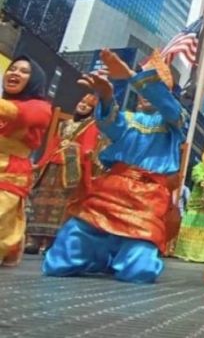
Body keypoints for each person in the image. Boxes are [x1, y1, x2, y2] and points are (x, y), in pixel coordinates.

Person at [42, 49, 185, 283]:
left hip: (147, 198)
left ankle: (116, 256)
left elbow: (168, 107)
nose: (145, 94)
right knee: (59, 262)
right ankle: (102, 256)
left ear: (165, 92)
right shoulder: (128, 118)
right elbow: (110, 125)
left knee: (139, 271)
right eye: (142, 90)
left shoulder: (175, 121)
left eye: (152, 87)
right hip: (111, 190)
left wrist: (130, 75)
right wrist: (106, 96)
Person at [26, 94, 102, 254]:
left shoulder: (91, 125)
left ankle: (52, 243)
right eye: (81, 102)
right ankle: (33, 240)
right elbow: (52, 145)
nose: (83, 106)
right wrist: (40, 164)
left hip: (70, 169)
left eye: (88, 106)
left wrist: (83, 151)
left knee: (62, 205)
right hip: (51, 166)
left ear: (92, 111)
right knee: (40, 200)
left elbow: (88, 147)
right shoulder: (64, 124)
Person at [0, 56, 52, 267]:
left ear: (34, 81)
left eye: (23, 71)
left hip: (10, 171)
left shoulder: (40, 107)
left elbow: (24, 116)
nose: (14, 73)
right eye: (12, 69)